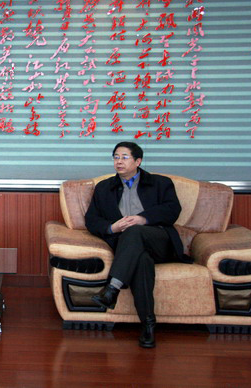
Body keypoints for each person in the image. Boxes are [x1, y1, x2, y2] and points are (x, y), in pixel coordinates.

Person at [85, 141, 192, 348]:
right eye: (116, 157)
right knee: (142, 261)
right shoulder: (104, 188)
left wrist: (144, 219)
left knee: (134, 230)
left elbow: (172, 210)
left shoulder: (160, 183)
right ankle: (148, 325)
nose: (119, 161)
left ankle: (112, 288)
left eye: (124, 157)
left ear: (138, 161)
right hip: (128, 246)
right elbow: (91, 220)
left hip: (159, 241)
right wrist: (112, 227)